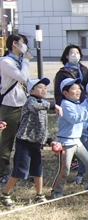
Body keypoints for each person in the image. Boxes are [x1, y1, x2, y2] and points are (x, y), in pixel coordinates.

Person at [0, 78, 56, 207]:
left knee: (38, 170)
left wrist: (50, 140)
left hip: (36, 144)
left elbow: (43, 127)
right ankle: (5, 194)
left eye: (45, 88)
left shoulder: (42, 104)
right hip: (24, 142)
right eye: (40, 87)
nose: (44, 90)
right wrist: (54, 105)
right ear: (31, 90)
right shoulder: (31, 101)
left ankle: (39, 194)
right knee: (20, 171)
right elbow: (33, 107)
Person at [51, 78, 88, 198]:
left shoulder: (77, 104)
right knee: (65, 170)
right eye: (74, 89)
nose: (78, 91)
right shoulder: (65, 104)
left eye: (79, 88)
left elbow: (83, 117)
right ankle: (56, 191)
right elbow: (75, 118)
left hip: (76, 141)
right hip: (65, 142)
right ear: (65, 93)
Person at [0, 34, 32, 185]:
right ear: (14, 44)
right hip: (10, 105)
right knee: (7, 141)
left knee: (25, 140)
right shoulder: (6, 61)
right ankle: (3, 172)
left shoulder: (18, 61)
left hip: (23, 104)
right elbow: (22, 77)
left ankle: (22, 170)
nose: (25, 46)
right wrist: (26, 60)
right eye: (23, 43)